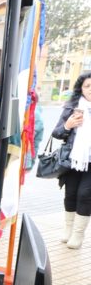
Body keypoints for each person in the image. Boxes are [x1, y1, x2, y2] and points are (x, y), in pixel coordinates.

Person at [52, 71, 91, 249]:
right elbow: (57, 132)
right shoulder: (73, 107)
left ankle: (78, 235)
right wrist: (68, 125)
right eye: (87, 86)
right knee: (71, 194)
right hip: (73, 159)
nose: (90, 89)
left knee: (85, 195)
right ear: (81, 89)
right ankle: (68, 230)